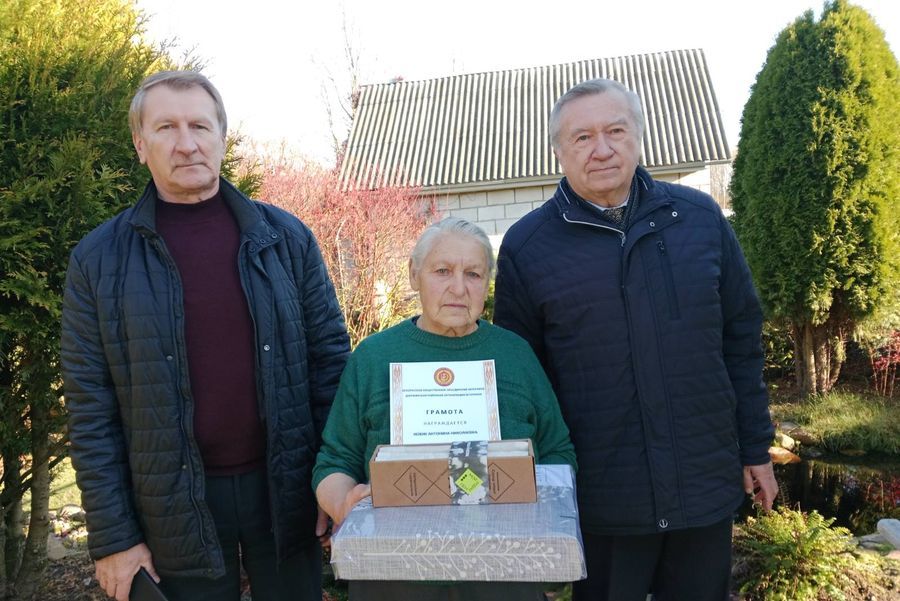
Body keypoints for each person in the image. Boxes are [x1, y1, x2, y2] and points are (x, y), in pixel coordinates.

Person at [60, 70, 351, 601]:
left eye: (199, 125)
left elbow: (331, 368)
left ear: (221, 136)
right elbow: (90, 410)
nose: (187, 143)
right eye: (166, 127)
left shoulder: (286, 239)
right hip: (170, 507)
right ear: (140, 145)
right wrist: (115, 537)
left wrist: (335, 480)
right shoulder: (98, 261)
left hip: (286, 493)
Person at [493, 78, 778, 601]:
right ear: (558, 151)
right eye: (582, 137)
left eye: (616, 131)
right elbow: (519, 384)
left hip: (702, 484)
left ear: (639, 137)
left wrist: (756, 445)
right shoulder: (527, 247)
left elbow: (741, 340)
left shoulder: (700, 220)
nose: (601, 149)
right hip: (604, 499)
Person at [313, 217, 577, 601]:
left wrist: (541, 518)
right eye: (442, 271)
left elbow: (557, 451)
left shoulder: (515, 354)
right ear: (413, 275)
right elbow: (335, 459)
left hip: (502, 571)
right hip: (393, 572)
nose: (458, 288)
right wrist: (343, 503)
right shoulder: (373, 357)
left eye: (473, 274)